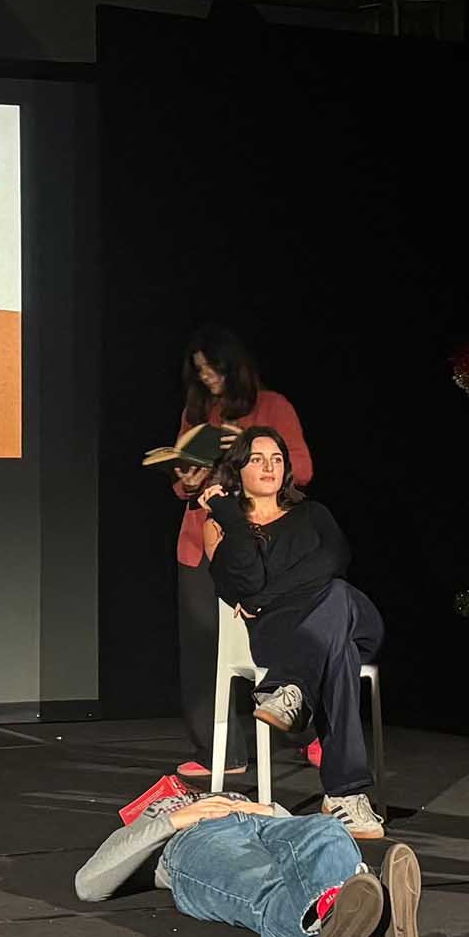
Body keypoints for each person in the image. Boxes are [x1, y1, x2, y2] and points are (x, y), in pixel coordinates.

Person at [203, 427, 387, 836]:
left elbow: (333, 560)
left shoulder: (313, 513)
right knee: (338, 654)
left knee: (338, 593)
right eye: (256, 459)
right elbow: (243, 583)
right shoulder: (222, 528)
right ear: (238, 468)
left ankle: (290, 687)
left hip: (352, 619)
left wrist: (265, 597)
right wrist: (232, 518)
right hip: (284, 639)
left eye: (277, 459)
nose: (269, 467)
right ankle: (345, 795)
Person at [76, 781, 424, 937]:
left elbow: (300, 844)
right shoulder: (153, 817)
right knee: (264, 882)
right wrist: (177, 819)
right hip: (196, 837)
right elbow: (89, 884)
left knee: (326, 829)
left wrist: (267, 810)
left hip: (262, 820)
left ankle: (342, 918)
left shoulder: (228, 795)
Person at [167, 326, 316, 768]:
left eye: (213, 370)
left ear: (234, 367)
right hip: (200, 540)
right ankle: (220, 753)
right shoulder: (198, 413)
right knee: (203, 648)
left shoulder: (272, 407)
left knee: (275, 642)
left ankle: (308, 732)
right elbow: (181, 481)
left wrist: (249, 453)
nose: (207, 379)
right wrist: (188, 479)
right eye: (200, 372)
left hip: (259, 542)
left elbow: (303, 469)